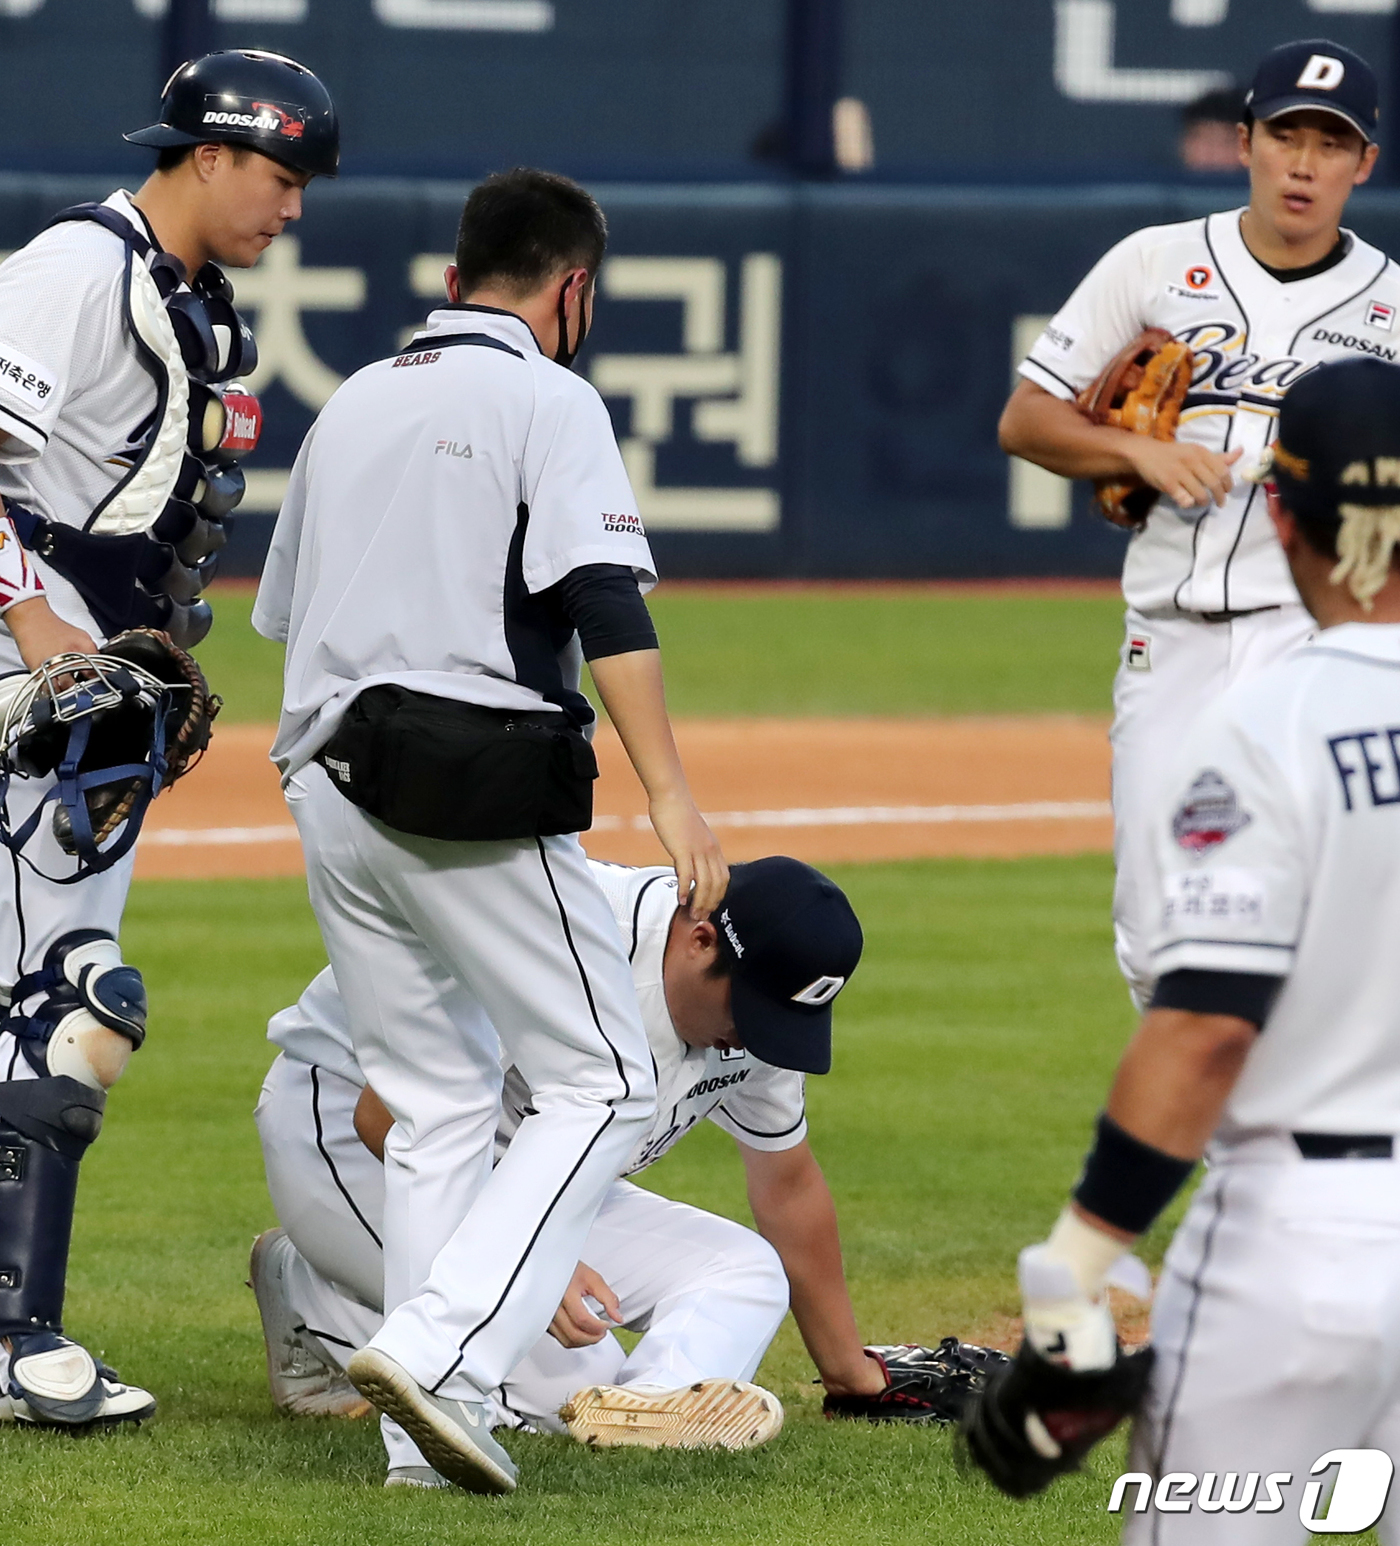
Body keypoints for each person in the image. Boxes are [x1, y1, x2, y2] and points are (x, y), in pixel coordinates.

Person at [251, 168, 728, 1495]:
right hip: (462, 780)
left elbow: (283, 615)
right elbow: (602, 604)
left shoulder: (351, 398)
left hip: (327, 776)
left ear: (456, 278)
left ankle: (419, 1445)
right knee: (606, 1082)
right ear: (573, 288)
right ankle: (438, 1341)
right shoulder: (551, 396)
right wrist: (673, 795)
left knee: (442, 1102)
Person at [968, 357, 1400, 1540]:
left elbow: (1207, 1016)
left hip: (1293, 1247)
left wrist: (1077, 1259)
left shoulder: (1261, 729)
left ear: (1276, 512)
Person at [0, 48, 337, 1431]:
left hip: (89, 688)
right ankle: (16, 1340)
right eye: (280, 174)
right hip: (32, 670)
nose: (293, 208)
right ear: (209, 155)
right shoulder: (80, 269)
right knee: (63, 1002)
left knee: (56, 1004)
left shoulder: (186, 293)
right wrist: (29, 624)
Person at [250, 856, 950, 1484]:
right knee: (539, 1395)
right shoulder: (568, 935)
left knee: (745, 1273)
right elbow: (388, 1116)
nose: (755, 1038)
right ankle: (316, 1296)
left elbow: (788, 1186)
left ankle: (644, 1416)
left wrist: (851, 1374)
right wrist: (524, 1255)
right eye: (753, 1010)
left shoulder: (748, 1022)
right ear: (699, 939)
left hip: (523, 1174)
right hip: (344, 1134)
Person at [1000, 38, 1397, 1008]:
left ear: (1363, 163)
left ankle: (1294, 1151)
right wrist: (1136, 451)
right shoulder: (1153, 262)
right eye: (1284, 135)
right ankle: (1229, 1150)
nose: (1302, 163)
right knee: (1150, 934)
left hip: (1315, 643)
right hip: (1168, 638)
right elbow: (1026, 419)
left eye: (1328, 142)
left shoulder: (1389, 305)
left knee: (1322, 917)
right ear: (1244, 142)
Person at [1178, 87, 1247, 174]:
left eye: (1227, 142)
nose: (1215, 153)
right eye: (1206, 139)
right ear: (1185, 144)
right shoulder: (1161, 184)